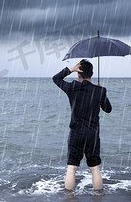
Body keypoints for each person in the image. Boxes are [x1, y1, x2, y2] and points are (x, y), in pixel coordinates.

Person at [52, 59, 112, 191]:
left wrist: (71, 69)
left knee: (72, 168)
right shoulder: (99, 91)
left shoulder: (72, 88)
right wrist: (101, 93)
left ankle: (69, 198)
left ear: (79, 74)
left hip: (76, 133)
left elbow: (56, 78)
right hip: (92, 135)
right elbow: (108, 109)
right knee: (95, 168)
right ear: (92, 73)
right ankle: (98, 198)